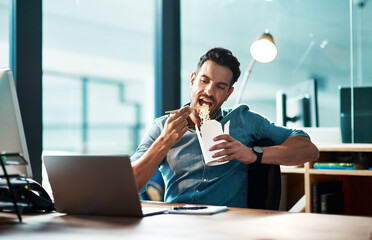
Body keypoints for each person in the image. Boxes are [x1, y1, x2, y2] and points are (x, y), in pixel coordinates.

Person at [131, 47, 319, 208]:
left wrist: (253, 154)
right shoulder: (163, 127)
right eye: (204, 81)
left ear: (228, 94)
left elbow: (309, 151)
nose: (209, 91)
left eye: (220, 87)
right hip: (179, 224)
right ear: (192, 80)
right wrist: (164, 142)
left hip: (229, 225)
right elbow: (130, 185)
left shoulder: (243, 120)